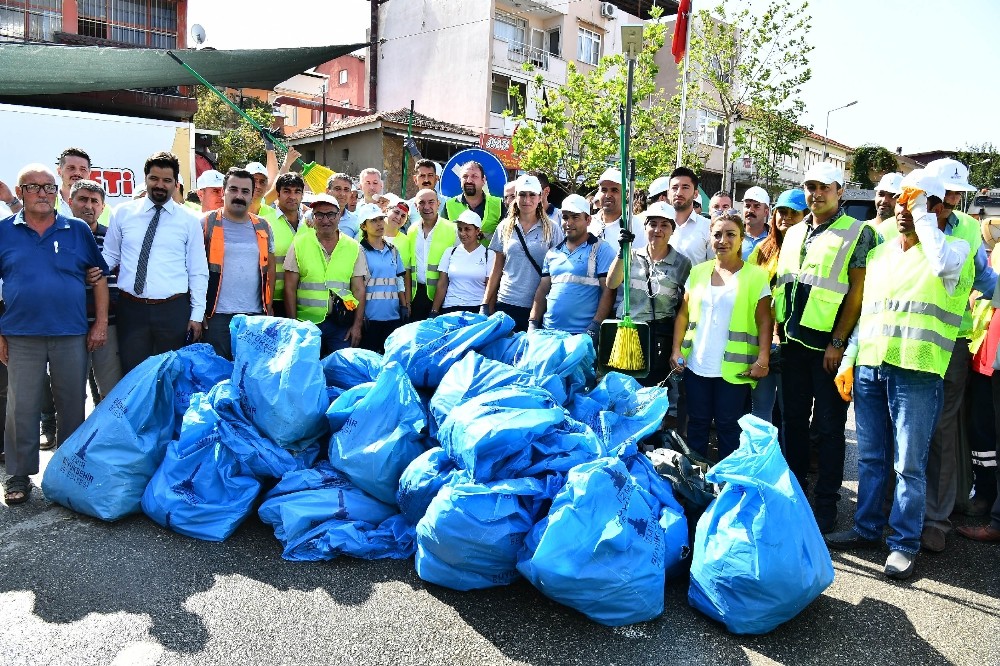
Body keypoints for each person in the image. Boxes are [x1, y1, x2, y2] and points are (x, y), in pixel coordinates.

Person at [825, 171, 974, 579]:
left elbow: (943, 263)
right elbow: (868, 313)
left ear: (942, 209)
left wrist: (924, 213)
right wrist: (849, 358)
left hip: (918, 370)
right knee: (872, 457)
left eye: (920, 204)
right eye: (904, 204)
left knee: (909, 464)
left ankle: (904, 543)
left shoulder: (955, 249)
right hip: (873, 365)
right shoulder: (882, 253)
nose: (906, 211)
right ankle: (867, 528)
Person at [773, 162, 877, 533]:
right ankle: (796, 495)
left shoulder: (857, 232)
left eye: (822, 187)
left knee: (830, 429)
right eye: (809, 186)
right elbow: (784, 286)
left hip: (827, 348)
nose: (815, 193)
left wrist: (837, 341)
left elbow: (857, 293)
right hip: (792, 343)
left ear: (839, 191)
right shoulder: (795, 231)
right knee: (794, 424)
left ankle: (826, 505)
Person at [0, 164, 109, 505]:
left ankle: (68, 471)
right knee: (21, 407)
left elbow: (99, 277)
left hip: (70, 332)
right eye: (35, 188)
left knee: (72, 404)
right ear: (20, 193)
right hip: (20, 334)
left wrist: (100, 323)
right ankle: (19, 474)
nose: (44, 194)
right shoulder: (3, 232)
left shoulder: (77, 230)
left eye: (49, 187)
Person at [920, 157, 997, 552]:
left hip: (951, 346)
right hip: (908, 344)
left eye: (957, 192)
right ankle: (895, 511)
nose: (952, 198)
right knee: (904, 430)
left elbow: (985, 279)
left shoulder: (967, 228)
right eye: (946, 191)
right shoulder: (907, 223)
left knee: (941, 430)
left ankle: (935, 517)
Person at [671, 212, 772, 461]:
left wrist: (763, 358)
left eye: (730, 234)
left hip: (734, 370)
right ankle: (696, 482)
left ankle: (726, 486)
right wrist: (676, 350)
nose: (723, 240)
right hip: (696, 365)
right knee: (697, 424)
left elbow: (765, 320)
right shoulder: (698, 272)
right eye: (717, 234)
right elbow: (683, 314)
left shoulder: (756, 276)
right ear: (710, 238)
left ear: (741, 238)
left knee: (728, 427)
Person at [103, 152, 208, 373]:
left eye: (167, 180)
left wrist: (197, 315)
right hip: (131, 309)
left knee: (169, 376)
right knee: (133, 376)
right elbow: (111, 256)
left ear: (176, 184)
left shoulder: (189, 221)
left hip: (173, 310)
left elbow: (198, 271)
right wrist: (94, 269)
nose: (159, 185)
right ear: (146, 178)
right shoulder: (122, 213)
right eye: (154, 178)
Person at [607, 201, 692, 387]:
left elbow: (686, 304)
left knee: (654, 391)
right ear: (645, 227)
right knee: (624, 389)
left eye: (664, 225)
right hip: (628, 332)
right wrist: (622, 252)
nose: (657, 230)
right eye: (652, 224)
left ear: (673, 230)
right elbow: (611, 283)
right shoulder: (630, 255)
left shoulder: (683, 263)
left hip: (660, 336)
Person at [746, 188, 807, 424]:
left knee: (788, 410)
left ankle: (787, 459)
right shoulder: (762, 251)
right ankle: (761, 460)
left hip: (795, 342)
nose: (787, 218)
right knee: (760, 407)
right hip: (764, 340)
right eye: (782, 212)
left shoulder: (810, 251)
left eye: (794, 213)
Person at [202, 168, 275, 361]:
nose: (239, 196)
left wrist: (269, 308)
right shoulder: (205, 223)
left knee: (251, 373)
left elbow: (270, 270)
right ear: (223, 191)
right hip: (216, 316)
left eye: (245, 191)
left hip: (254, 315)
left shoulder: (264, 226)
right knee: (218, 372)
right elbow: (193, 270)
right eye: (233, 189)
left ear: (252, 195)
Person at [284, 194, 367, 355]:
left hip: (341, 325)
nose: (325, 220)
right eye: (319, 215)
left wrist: (357, 326)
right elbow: (289, 288)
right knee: (307, 373)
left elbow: (359, 289)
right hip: (306, 324)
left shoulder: (353, 247)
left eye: (330, 214)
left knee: (341, 372)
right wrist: (294, 325)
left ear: (338, 216)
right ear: (313, 217)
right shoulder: (300, 243)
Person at [529, 194, 616, 339]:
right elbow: (542, 290)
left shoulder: (601, 249)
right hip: (548, 332)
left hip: (581, 336)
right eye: (565, 217)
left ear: (588, 220)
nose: (568, 222)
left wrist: (595, 326)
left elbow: (609, 291)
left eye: (575, 217)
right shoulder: (552, 253)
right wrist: (533, 322)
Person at [484, 175, 563, 331]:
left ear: (540, 197)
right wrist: (486, 303)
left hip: (537, 305)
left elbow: (558, 270)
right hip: (506, 301)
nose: (527, 199)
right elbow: (497, 268)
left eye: (532, 194)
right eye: (522, 194)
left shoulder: (553, 228)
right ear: (516, 196)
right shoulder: (505, 226)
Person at [956, 272, 1000, 544]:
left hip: (995, 362)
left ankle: (996, 517)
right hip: (984, 354)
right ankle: (985, 493)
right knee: (981, 434)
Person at [69, 180, 122, 399]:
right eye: (82, 199)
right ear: (70, 202)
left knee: (111, 392)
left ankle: (109, 434)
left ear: (102, 207)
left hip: (108, 325)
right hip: (68, 327)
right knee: (69, 394)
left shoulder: (113, 237)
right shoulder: (57, 235)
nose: (88, 206)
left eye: (94, 201)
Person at [357, 203, 407, 353]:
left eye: (380, 219)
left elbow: (399, 280)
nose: (379, 224)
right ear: (364, 226)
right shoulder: (359, 251)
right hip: (370, 319)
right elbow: (357, 287)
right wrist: (359, 317)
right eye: (373, 220)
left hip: (393, 317)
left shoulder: (393, 250)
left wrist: (404, 306)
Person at [430, 210, 497, 316]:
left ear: (477, 231)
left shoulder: (489, 255)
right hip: (450, 309)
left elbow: (491, 286)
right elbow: (442, 284)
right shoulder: (449, 252)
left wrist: (489, 311)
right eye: (460, 229)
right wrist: (434, 311)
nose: (462, 233)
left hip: (477, 310)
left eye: (467, 229)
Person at [406, 188, 457, 321]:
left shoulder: (452, 229)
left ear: (438, 204)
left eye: (431, 202)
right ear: (416, 206)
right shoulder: (411, 231)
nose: (427, 207)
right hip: (416, 295)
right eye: (422, 203)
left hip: (444, 295)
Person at [270, 172, 312, 318]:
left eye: (297, 192)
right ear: (278, 194)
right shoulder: (266, 222)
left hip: (305, 299)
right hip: (274, 301)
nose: (292, 197)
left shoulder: (311, 223)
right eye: (287, 191)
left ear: (302, 195)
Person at [587, 167, 644, 254]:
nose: (608, 195)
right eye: (604, 190)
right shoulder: (589, 222)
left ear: (625, 195)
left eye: (614, 190)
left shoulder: (635, 225)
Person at [443, 161, 505, 240]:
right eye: (465, 176)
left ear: (483, 180)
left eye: (474, 176)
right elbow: (443, 236)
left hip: (490, 252)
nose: (469, 180)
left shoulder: (499, 204)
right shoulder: (449, 206)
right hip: (458, 252)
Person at [668, 167, 714, 264]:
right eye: (675, 187)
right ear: (668, 193)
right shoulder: (655, 226)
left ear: (696, 194)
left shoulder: (708, 227)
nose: (679, 193)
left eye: (685, 187)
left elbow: (714, 267)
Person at [407, 158, 442, 226]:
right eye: (422, 176)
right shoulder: (409, 207)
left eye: (430, 175)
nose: (426, 180)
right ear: (415, 179)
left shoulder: (447, 204)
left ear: (436, 179)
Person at [56, 147, 92, 213]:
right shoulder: (47, 203)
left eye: (83, 169)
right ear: (59, 171)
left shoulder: (104, 210)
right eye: (71, 168)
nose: (77, 173)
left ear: (89, 173)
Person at [740, 186, 771, 260]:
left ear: (766, 212)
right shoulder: (734, 235)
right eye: (747, 206)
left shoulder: (774, 237)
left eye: (756, 206)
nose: (750, 210)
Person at [326, 173, 359, 239]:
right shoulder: (313, 217)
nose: (342, 194)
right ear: (327, 191)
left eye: (346, 189)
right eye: (337, 189)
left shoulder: (355, 221)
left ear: (350, 193)